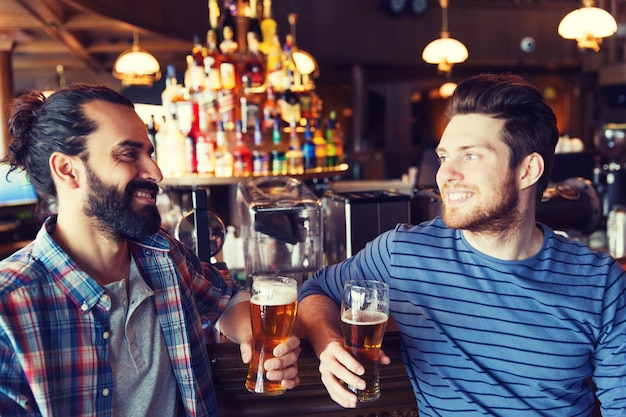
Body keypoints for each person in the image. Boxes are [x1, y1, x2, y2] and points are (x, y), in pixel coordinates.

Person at [297, 73, 626, 416]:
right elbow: (317, 290)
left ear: (528, 171)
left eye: (470, 156)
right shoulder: (405, 254)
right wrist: (328, 343)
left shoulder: (600, 283)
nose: (445, 175)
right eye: (443, 157)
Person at [0, 84, 300, 417]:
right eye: (129, 154)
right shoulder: (9, 308)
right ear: (67, 170)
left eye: (149, 153)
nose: (156, 172)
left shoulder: (161, 255)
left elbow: (225, 298)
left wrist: (253, 338)